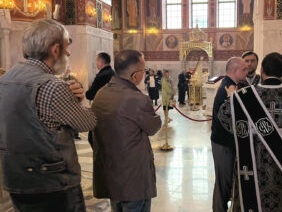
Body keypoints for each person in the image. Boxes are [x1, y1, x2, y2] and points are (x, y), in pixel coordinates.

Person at [0, 18, 96, 212]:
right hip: (53, 184)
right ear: (55, 50)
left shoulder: (5, 80)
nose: (68, 53)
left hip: (16, 179)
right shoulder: (53, 87)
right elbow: (87, 122)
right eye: (66, 47)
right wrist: (79, 99)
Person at [218, 53, 282, 212]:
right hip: (281, 167)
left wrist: (231, 97)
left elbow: (224, 116)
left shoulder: (243, 96)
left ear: (262, 69)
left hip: (252, 167)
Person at [91, 50, 162, 212]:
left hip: (110, 174)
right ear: (135, 75)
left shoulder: (101, 93)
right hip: (133, 179)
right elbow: (153, 127)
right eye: (143, 71)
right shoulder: (137, 99)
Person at [211, 57, 248, 212]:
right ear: (235, 70)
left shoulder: (231, 85)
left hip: (226, 143)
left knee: (226, 182)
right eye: (244, 69)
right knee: (223, 183)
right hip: (223, 143)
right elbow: (227, 120)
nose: (247, 71)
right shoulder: (228, 88)